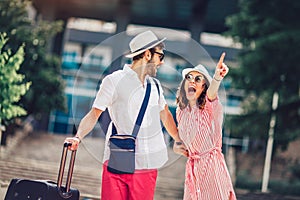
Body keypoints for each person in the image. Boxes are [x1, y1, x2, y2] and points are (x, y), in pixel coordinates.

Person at [65, 30, 187, 200]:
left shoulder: (156, 86)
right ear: (147, 54)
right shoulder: (114, 80)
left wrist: (179, 140)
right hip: (116, 160)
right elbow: (94, 113)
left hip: (146, 164)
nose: (161, 62)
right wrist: (78, 137)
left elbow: (165, 115)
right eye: (160, 55)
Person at [176, 53, 236, 200]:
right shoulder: (180, 111)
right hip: (192, 170)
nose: (192, 82)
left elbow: (211, 95)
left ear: (203, 87)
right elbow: (182, 140)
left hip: (211, 168)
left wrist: (217, 78)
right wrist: (177, 146)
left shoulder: (208, 107)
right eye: (188, 78)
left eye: (198, 79)